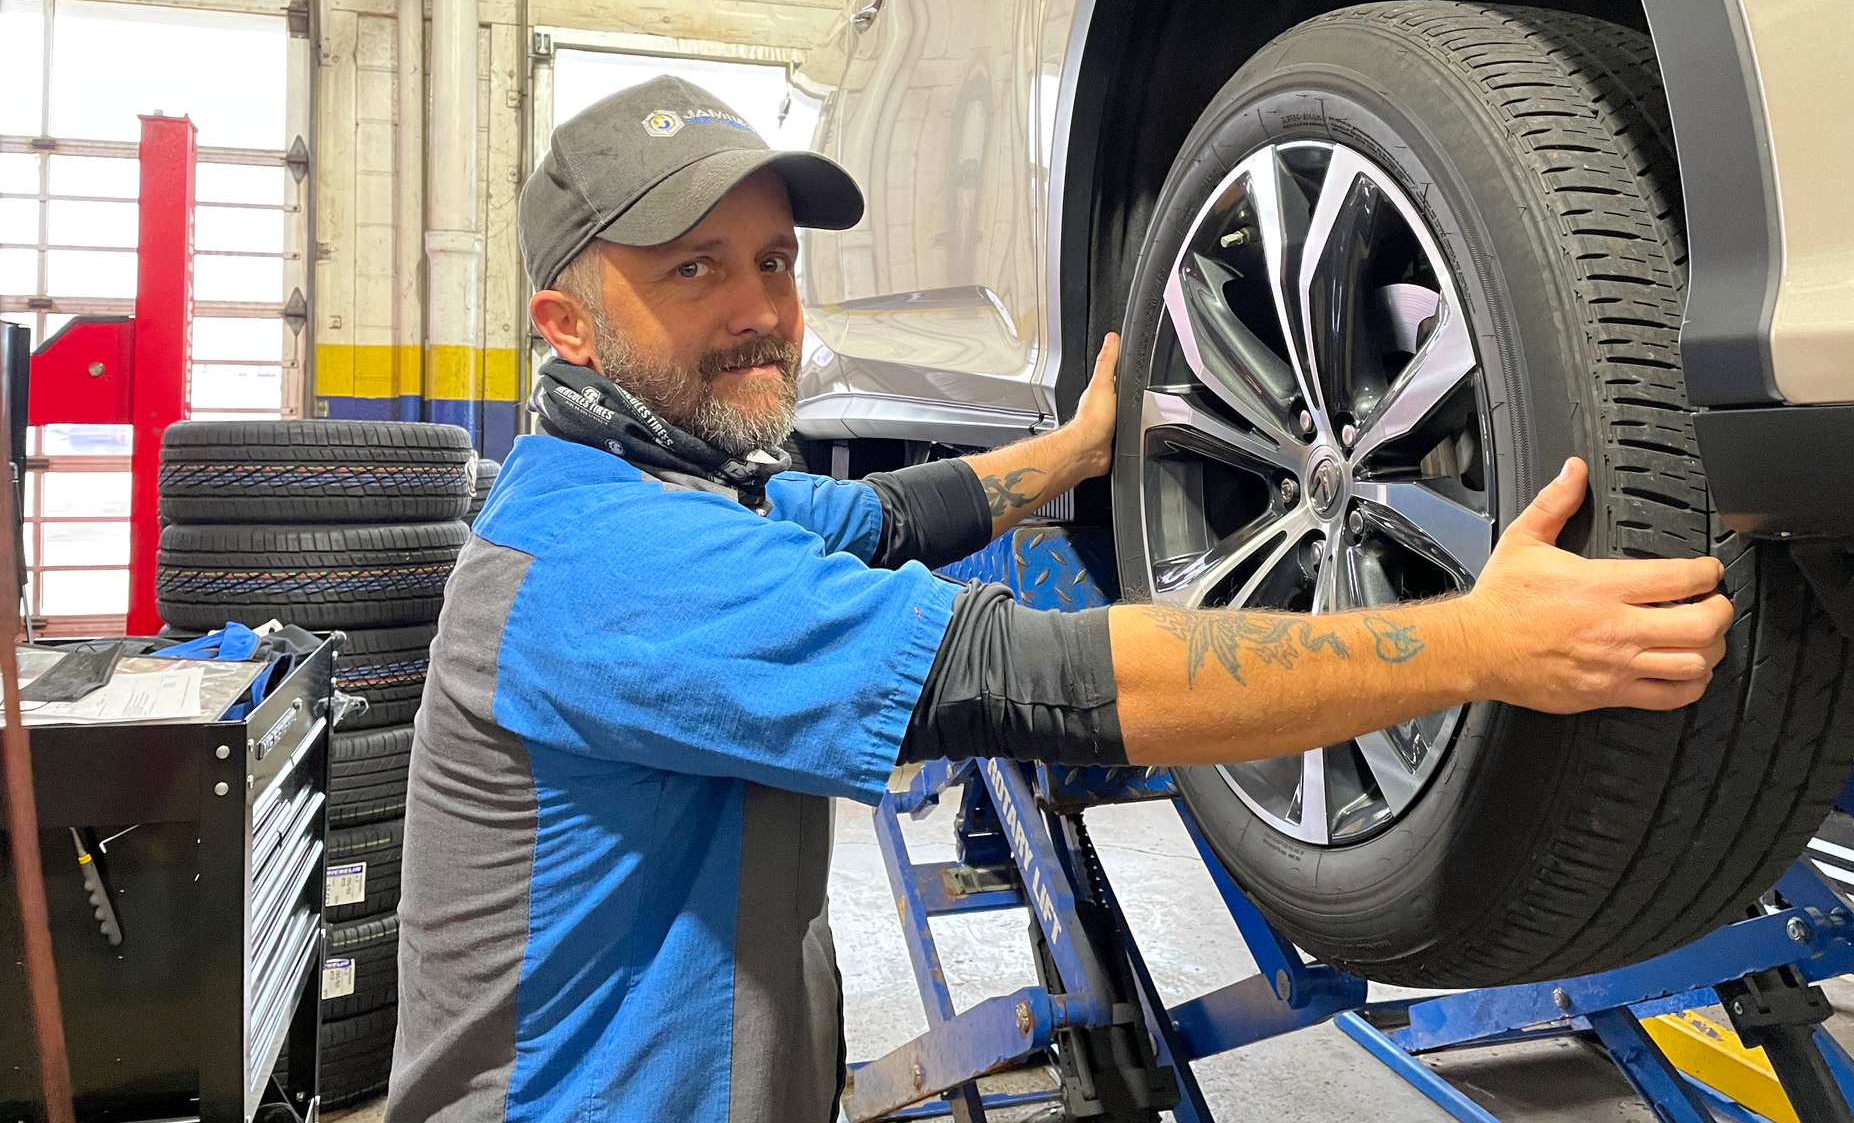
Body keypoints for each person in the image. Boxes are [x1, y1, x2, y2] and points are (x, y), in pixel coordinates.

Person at [386, 76, 1731, 1122]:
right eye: (695, 268)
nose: (761, 310)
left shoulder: (638, 490)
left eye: (777, 262)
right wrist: (1475, 643)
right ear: (567, 324)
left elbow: (885, 515)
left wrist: (1076, 452)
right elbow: (1056, 681)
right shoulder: (617, 570)